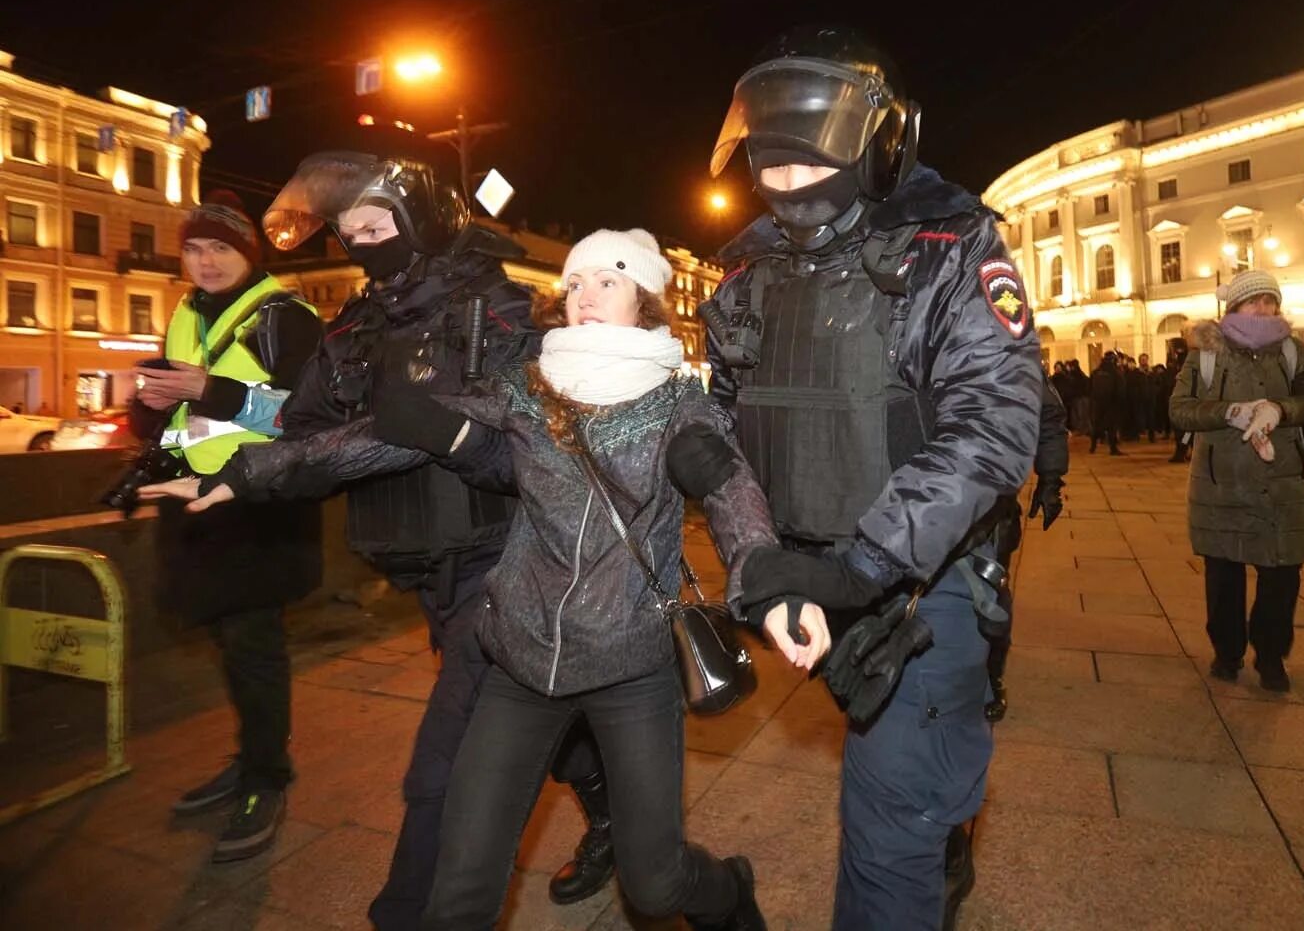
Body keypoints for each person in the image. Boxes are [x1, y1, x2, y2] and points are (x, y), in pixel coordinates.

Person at [145, 228, 819, 930]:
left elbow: (730, 485)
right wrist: (250, 473)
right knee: (460, 896)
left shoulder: (677, 401)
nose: (584, 295)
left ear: (645, 302)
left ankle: (728, 893)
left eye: (607, 282)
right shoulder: (528, 388)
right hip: (518, 661)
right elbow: (380, 437)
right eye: (575, 284)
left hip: (630, 664)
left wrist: (765, 580)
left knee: (654, 885)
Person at [702, 26, 1043, 930]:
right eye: (770, 169)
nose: (788, 188)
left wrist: (863, 567)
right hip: (804, 577)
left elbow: (993, 424)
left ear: (882, 143)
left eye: (812, 164)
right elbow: (719, 429)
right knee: (900, 813)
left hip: (919, 589)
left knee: (890, 828)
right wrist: (758, 560)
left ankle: (934, 842)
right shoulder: (742, 267)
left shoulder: (955, 244)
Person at [256, 152, 614, 928]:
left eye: (377, 227)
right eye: (349, 233)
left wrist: (332, 448)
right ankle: (616, 813)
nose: (362, 244)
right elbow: (303, 425)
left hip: (508, 561)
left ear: (422, 222)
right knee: (539, 721)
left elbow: (496, 434)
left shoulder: (503, 310)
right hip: (428, 567)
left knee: (446, 771)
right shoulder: (353, 326)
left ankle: (409, 913)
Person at [127, 199, 323, 862]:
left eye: (220, 249)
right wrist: (146, 407)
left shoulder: (287, 318)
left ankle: (266, 779)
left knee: (254, 648)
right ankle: (250, 762)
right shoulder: (187, 313)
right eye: (193, 250)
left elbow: (304, 419)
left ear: (250, 254)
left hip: (258, 508)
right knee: (231, 648)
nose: (205, 261)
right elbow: (179, 416)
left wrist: (207, 388)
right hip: (197, 504)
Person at [1169, 270, 1304, 691]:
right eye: (1252, 301)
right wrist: (1227, 412)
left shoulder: (1293, 351)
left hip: (1280, 480)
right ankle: (1227, 650)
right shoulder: (1205, 353)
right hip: (1222, 480)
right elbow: (1180, 409)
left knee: (1282, 572)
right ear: (1233, 307)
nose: (1262, 309)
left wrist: (1280, 409)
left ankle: (1271, 654)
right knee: (1223, 572)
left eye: (1268, 301)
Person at [985, 377, 1069, 723]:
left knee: (990, 593)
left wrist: (1050, 477)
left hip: (991, 497)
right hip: (924, 490)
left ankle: (990, 678)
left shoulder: (1003, 331)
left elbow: (1047, 413)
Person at [1089, 352, 1123, 455]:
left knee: (1096, 425)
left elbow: (1090, 387)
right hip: (1111, 403)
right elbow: (1120, 388)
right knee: (1111, 426)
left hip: (1097, 403)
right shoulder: (1115, 372)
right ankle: (1113, 448)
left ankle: (1093, 447)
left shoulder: (1096, 372)